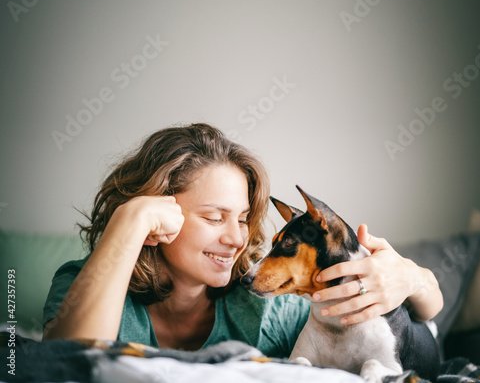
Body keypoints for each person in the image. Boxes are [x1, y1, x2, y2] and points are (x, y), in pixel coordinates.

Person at [42, 123, 443, 358]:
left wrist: (413, 279)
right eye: (215, 218)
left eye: (244, 219)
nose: (236, 238)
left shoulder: (266, 308)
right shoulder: (84, 284)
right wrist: (128, 222)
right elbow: (67, 367)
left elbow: (421, 319)